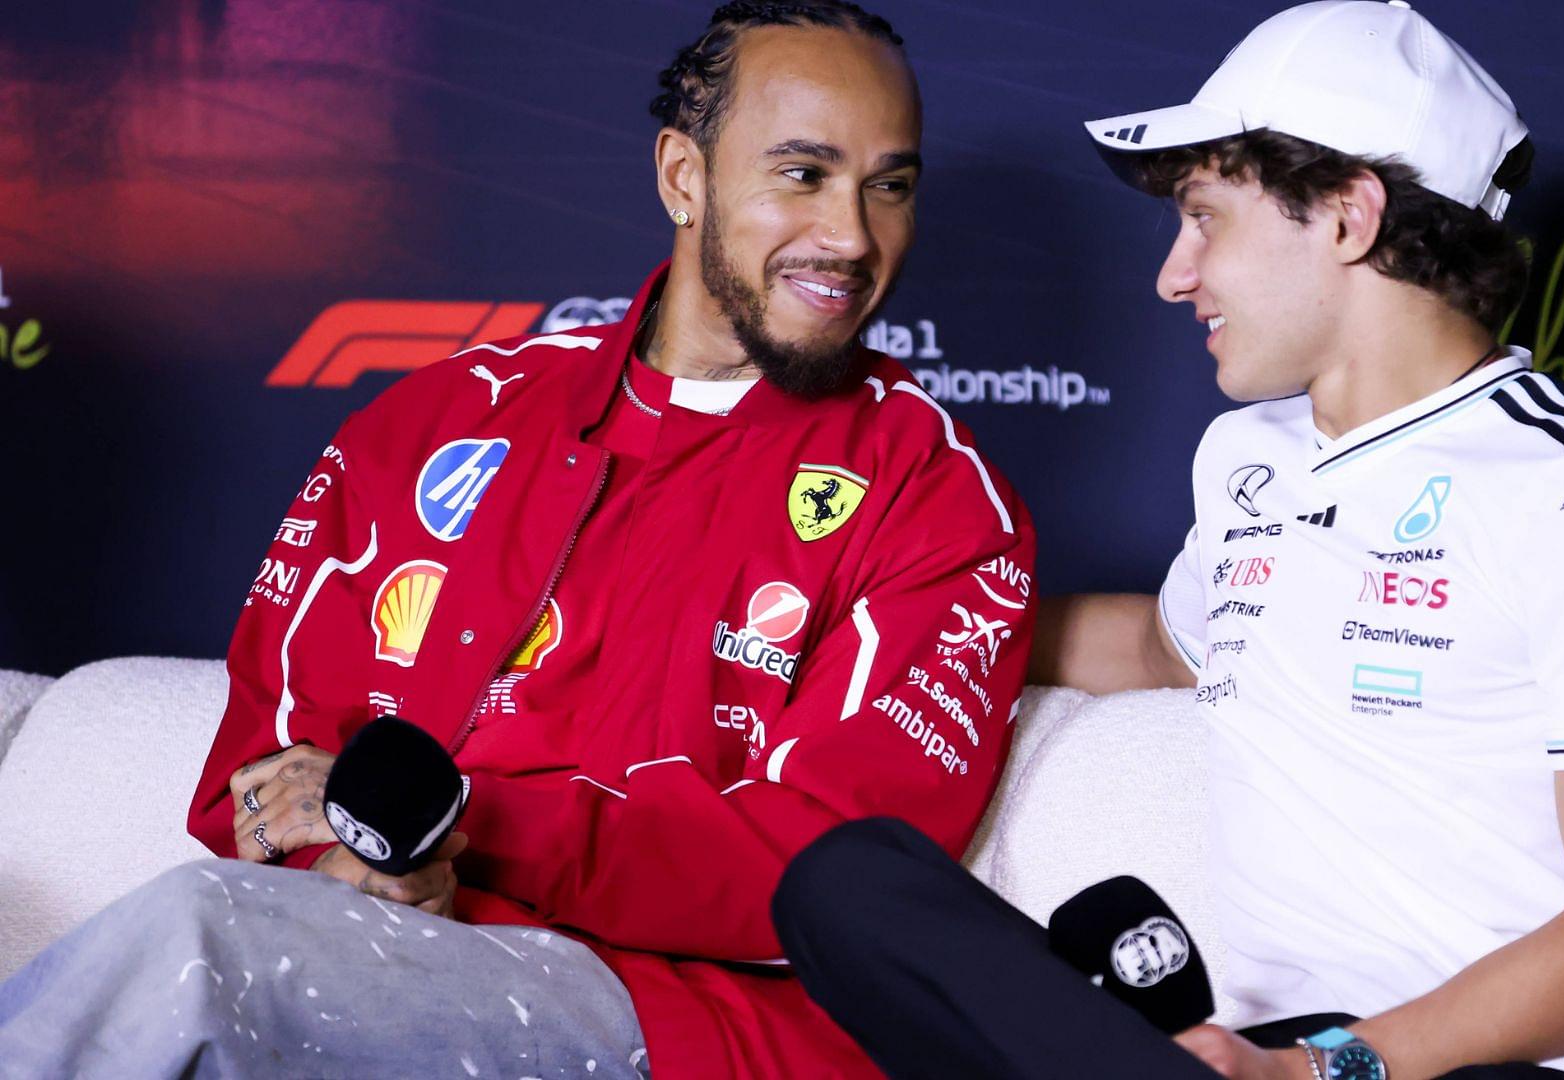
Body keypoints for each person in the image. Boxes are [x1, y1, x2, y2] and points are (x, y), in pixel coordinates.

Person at [0, 2, 1035, 1076]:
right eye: (804, 174)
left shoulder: (938, 499)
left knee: (201, 941)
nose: (854, 236)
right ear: (684, 177)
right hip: (366, 959)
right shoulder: (432, 425)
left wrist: (451, 824)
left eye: (890, 186)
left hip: (674, 1024)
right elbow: (258, 784)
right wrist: (344, 861)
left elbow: (833, 877)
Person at [771, 3, 1564, 1079]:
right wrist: (862, 618)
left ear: (1346, 217)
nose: (1174, 276)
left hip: (1520, 1070)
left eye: (1206, 219)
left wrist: (1326, 1066)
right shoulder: (1251, 458)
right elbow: (1157, 653)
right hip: (1269, 1058)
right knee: (843, 880)